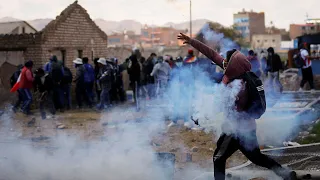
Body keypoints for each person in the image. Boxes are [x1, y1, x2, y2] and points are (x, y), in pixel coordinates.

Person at [177, 33, 297, 180]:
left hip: (235, 131)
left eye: (227, 61)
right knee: (256, 157)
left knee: (218, 158)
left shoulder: (238, 85)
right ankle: (285, 173)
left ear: (234, 64)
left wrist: (201, 118)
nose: (224, 63)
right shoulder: (235, 72)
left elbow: (222, 106)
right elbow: (212, 54)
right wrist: (192, 42)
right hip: (247, 128)